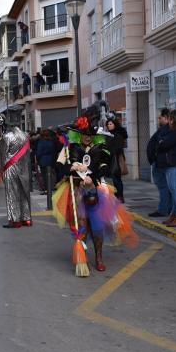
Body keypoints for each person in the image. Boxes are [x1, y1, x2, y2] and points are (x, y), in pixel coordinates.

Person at [53, 105, 138, 273]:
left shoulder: (101, 147)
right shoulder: (70, 147)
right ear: (80, 133)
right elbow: (59, 165)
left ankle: (99, 257)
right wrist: (69, 167)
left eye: (90, 135)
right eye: (84, 134)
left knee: (98, 227)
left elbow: (106, 167)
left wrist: (94, 176)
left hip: (96, 188)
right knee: (81, 225)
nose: (87, 138)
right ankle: (82, 257)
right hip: (76, 189)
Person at [0, 116, 32, 228]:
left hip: (10, 168)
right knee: (24, 193)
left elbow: (2, 155)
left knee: (12, 194)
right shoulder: (26, 136)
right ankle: (26, 218)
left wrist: (1, 169)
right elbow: (28, 154)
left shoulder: (7, 136)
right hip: (24, 168)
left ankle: (15, 220)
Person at [146, 108, 171, 217]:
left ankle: (163, 209)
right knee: (166, 187)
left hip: (160, 163)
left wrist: (154, 158)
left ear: (166, 118)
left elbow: (161, 145)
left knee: (163, 187)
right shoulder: (164, 129)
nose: (158, 119)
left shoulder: (166, 129)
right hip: (159, 161)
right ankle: (168, 208)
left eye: (160, 117)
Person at [105, 117, 128, 202]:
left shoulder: (117, 134)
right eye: (108, 124)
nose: (109, 126)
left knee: (117, 178)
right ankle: (118, 195)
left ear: (115, 124)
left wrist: (110, 152)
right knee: (115, 178)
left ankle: (120, 196)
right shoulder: (108, 134)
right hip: (111, 158)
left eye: (111, 124)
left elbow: (118, 147)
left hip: (117, 158)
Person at [36, 129, 57, 194]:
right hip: (50, 159)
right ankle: (50, 188)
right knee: (50, 175)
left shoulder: (41, 142)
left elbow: (39, 152)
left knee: (44, 175)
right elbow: (54, 151)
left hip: (43, 160)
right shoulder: (51, 142)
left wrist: (38, 159)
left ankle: (46, 190)